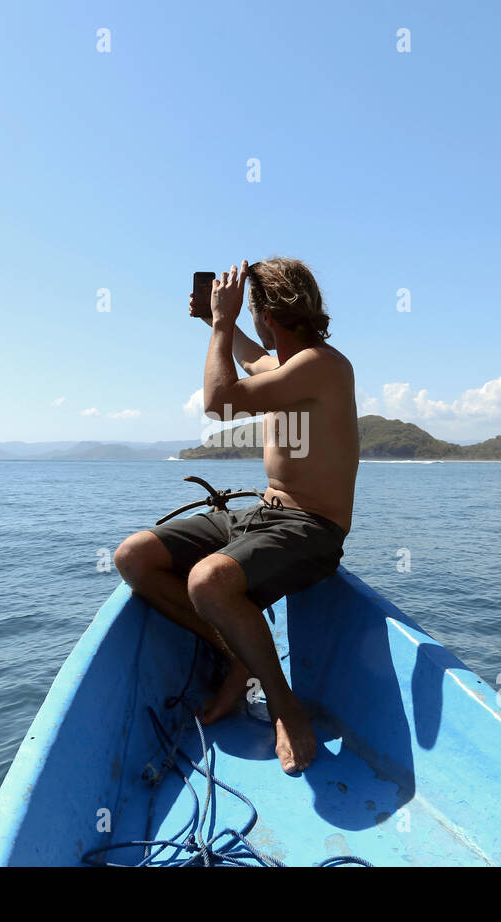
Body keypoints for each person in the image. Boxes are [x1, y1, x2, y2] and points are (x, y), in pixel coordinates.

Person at [113, 258, 360, 773]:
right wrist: (213, 319)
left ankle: (283, 705)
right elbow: (253, 362)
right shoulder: (291, 366)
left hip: (312, 528)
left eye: (251, 310)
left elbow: (220, 403)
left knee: (208, 581)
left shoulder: (320, 365)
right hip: (263, 515)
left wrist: (223, 325)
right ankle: (239, 655)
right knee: (134, 557)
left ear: (264, 313)